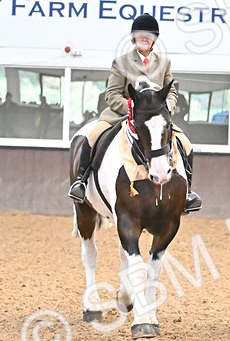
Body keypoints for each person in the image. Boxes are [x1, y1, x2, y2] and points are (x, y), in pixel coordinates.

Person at [68, 13, 202, 212]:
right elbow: (112, 94)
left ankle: (187, 192)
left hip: (155, 119)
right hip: (121, 115)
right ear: (134, 38)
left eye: (149, 35)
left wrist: (168, 106)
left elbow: (171, 90)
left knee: (186, 144)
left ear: (155, 39)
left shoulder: (164, 63)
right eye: (141, 35)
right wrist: (131, 109)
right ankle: (81, 182)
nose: (145, 38)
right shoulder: (121, 62)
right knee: (91, 135)